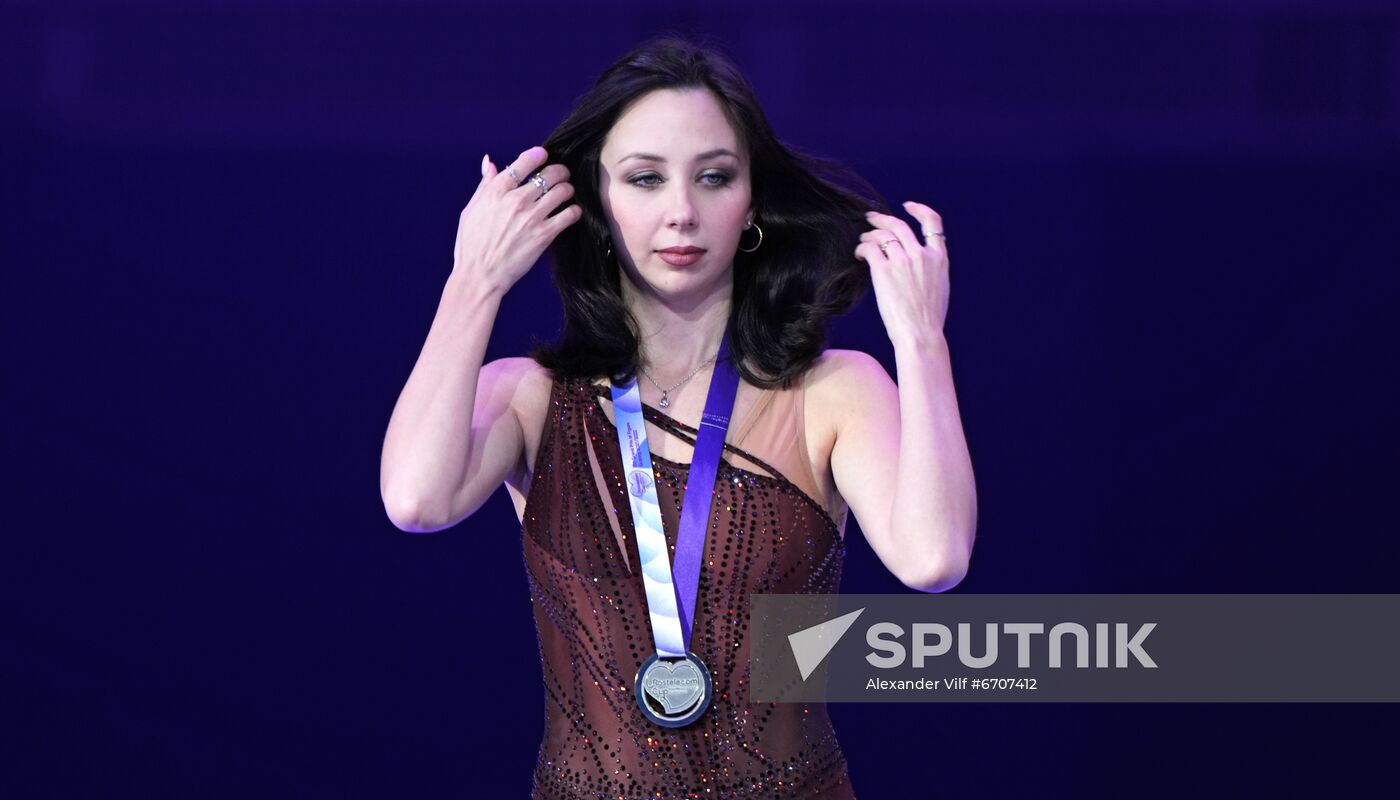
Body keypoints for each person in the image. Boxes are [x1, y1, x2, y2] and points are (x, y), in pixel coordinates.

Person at [380, 37, 976, 799]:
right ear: (597, 202)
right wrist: (474, 280)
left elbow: (934, 557)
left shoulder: (833, 390)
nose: (682, 213)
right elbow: (414, 500)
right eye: (646, 179)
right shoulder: (532, 396)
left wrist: (922, 340)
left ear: (752, 201)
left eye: (714, 177)